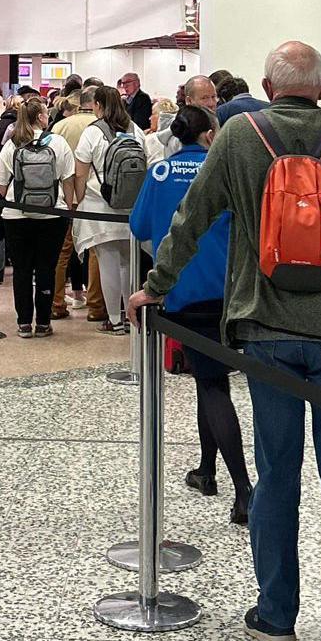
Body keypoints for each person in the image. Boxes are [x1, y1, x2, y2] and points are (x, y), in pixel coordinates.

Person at [127, 41, 321, 641]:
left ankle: (276, 618)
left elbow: (191, 218)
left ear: (266, 86)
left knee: (277, 474)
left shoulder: (237, 139)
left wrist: (155, 288)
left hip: (265, 331)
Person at [130, 104, 251, 524]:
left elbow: (140, 227)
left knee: (211, 382)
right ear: (207, 136)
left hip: (180, 293)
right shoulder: (224, 173)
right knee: (211, 381)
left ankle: (240, 487)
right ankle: (210, 471)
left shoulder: (160, 173)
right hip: (226, 290)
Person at [0, 99, 76, 337]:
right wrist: (67, 208)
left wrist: (17, 199)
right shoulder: (58, 143)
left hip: (16, 216)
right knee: (46, 268)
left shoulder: (13, 144)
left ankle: (23, 323)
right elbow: (68, 179)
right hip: (52, 214)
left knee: (21, 269)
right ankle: (43, 323)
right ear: (40, 117)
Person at [73, 86, 147, 335]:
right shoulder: (135, 129)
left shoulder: (93, 132)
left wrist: (78, 200)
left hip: (99, 206)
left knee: (108, 263)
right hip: (131, 205)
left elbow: (81, 172)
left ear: (98, 105)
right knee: (128, 263)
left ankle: (114, 319)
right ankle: (130, 316)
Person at [49, 89, 105, 322]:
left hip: (64, 196)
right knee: (95, 250)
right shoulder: (102, 127)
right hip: (93, 196)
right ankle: (96, 307)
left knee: (61, 253)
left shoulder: (60, 126)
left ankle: (56, 303)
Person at [150, 76, 217, 163]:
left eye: (214, 97)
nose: (211, 103)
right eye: (204, 98)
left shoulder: (215, 122)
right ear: (189, 101)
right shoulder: (181, 133)